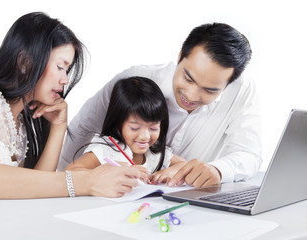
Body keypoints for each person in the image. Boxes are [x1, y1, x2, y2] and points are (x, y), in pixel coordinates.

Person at [0, 12, 140, 199]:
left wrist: (58, 128)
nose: (65, 80)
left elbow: (34, 189)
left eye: (68, 70)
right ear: (25, 62)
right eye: (60, 67)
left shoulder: (22, 124)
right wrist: (86, 181)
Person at [59, 22, 262, 188]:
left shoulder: (241, 90)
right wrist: (66, 187)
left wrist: (217, 169)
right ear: (180, 56)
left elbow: (249, 153)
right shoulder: (133, 81)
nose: (191, 95)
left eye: (210, 90)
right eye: (188, 78)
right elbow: (82, 129)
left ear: (229, 83)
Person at [66, 76, 185, 182]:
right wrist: (111, 173)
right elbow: (70, 172)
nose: (145, 136)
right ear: (118, 124)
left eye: (153, 128)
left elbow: (185, 165)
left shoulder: (155, 151)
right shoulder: (107, 149)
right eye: (135, 128)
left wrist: (169, 172)